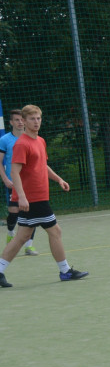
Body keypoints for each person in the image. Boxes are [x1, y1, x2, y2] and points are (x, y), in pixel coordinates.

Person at [0, 105, 88, 287]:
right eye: (32, 119)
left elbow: (42, 166)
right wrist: (22, 197)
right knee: (55, 231)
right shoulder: (21, 144)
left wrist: (59, 179)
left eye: (38, 118)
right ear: (23, 122)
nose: (36, 122)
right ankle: (65, 271)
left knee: (21, 237)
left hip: (38, 197)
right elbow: (14, 172)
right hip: (33, 199)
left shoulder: (40, 141)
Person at [1, 108, 40, 256]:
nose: (19, 122)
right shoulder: (5, 140)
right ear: (11, 122)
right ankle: (11, 231)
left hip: (30, 183)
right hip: (13, 182)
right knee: (14, 212)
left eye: (21, 120)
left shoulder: (32, 138)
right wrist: (5, 178)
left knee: (32, 211)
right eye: (16, 120)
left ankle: (29, 246)